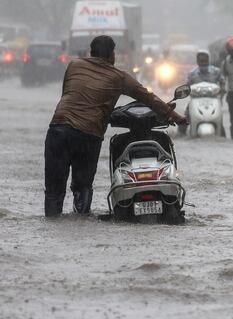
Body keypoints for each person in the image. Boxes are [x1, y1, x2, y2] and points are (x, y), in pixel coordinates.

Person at [45, 35, 185, 217]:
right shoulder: (118, 77)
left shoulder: (74, 66)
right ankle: (80, 221)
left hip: (58, 129)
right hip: (88, 134)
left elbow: (69, 94)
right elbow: (149, 98)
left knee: (54, 189)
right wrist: (176, 117)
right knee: (82, 186)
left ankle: (52, 223)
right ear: (112, 56)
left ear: (90, 53)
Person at [180, 50, 225, 136]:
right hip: (196, 100)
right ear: (197, 61)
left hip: (213, 100)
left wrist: (221, 93)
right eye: (201, 61)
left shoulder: (216, 72)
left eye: (205, 60)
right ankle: (181, 133)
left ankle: (222, 135)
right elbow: (186, 86)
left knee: (219, 119)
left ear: (209, 60)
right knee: (186, 116)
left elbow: (223, 83)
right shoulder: (192, 74)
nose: (203, 62)